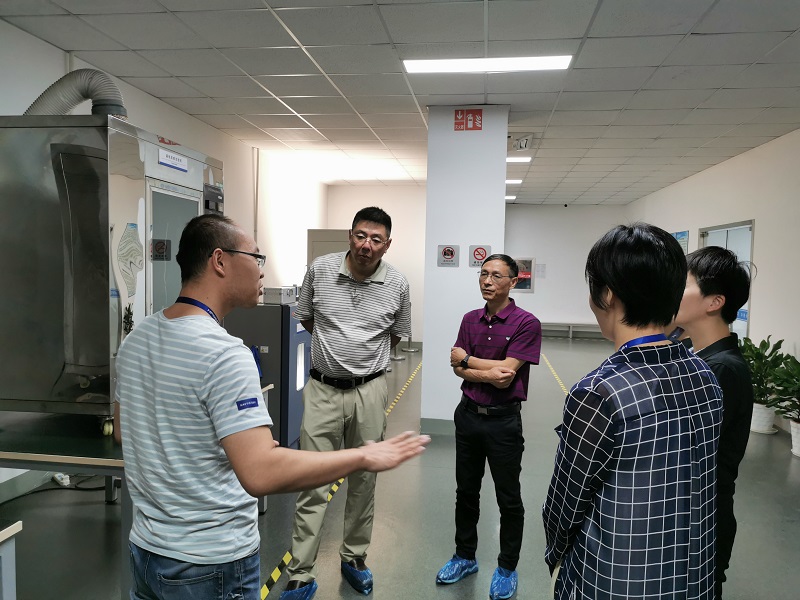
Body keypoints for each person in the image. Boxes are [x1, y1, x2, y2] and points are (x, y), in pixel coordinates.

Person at [113, 213, 428, 600]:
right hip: (210, 563)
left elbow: (125, 430)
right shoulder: (226, 355)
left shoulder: (137, 338)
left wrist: (227, 444)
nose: (262, 270)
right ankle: (302, 571)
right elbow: (260, 473)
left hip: (147, 551)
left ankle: (354, 557)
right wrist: (362, 456)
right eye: (256, 257)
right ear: (220, 261)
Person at [542, 223, 723, 600]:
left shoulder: (599, 392)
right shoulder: (705, 374)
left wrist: (555, 554)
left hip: (616, 581)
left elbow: (565, 504)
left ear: (607, 294)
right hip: (695, 578)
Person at [281, 206, 411, 600]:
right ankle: (301, 571)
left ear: (387, 245)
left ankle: (354, 556)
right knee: (312, 480)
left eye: (376, 239)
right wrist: (335, 354)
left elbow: (396, 334)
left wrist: (362, 364)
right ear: (349, 236)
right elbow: (307, 319)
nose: (366, 245)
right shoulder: (320, 270)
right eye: (360, 235)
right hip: (322, 389)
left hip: (369, 391)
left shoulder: (398, 284)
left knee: (364, 480)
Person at [436, 254, 541, 600]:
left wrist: (467, 360)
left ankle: (507, 567)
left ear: (513, 282)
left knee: (508, 498)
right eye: (483, 274)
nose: (487, 280)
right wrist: (483, 370)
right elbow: (458, 369)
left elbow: (505, 375)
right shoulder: (470, 319)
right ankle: (464, 557)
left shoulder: (527, 323)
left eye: (496, 275)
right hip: (467, 416)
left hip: (503, 422)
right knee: (466, 492)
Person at [673, 246, 754, 600]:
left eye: (683, 284)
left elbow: (683, 451)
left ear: (714, 302)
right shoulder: (697, 356)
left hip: (700, 521)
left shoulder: (721, 370)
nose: (672, 291)